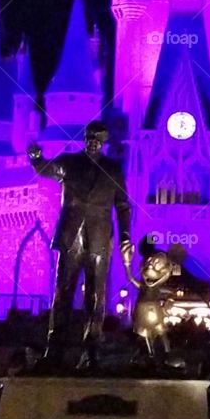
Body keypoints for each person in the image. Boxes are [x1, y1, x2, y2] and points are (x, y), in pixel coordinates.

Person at [28, 120, 133, 370]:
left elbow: (122, 205)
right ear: (84, 138)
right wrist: (36, 157)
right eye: (89, 136)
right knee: (62, 292)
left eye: (97, 137)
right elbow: (47, 169)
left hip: (99, 237)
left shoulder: (113, 169)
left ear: (104, 142)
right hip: (71, 234)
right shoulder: (69, 162)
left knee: (96, 297)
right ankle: (54, 350)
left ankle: (92, 351)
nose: (92, 141)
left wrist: (126, 235)